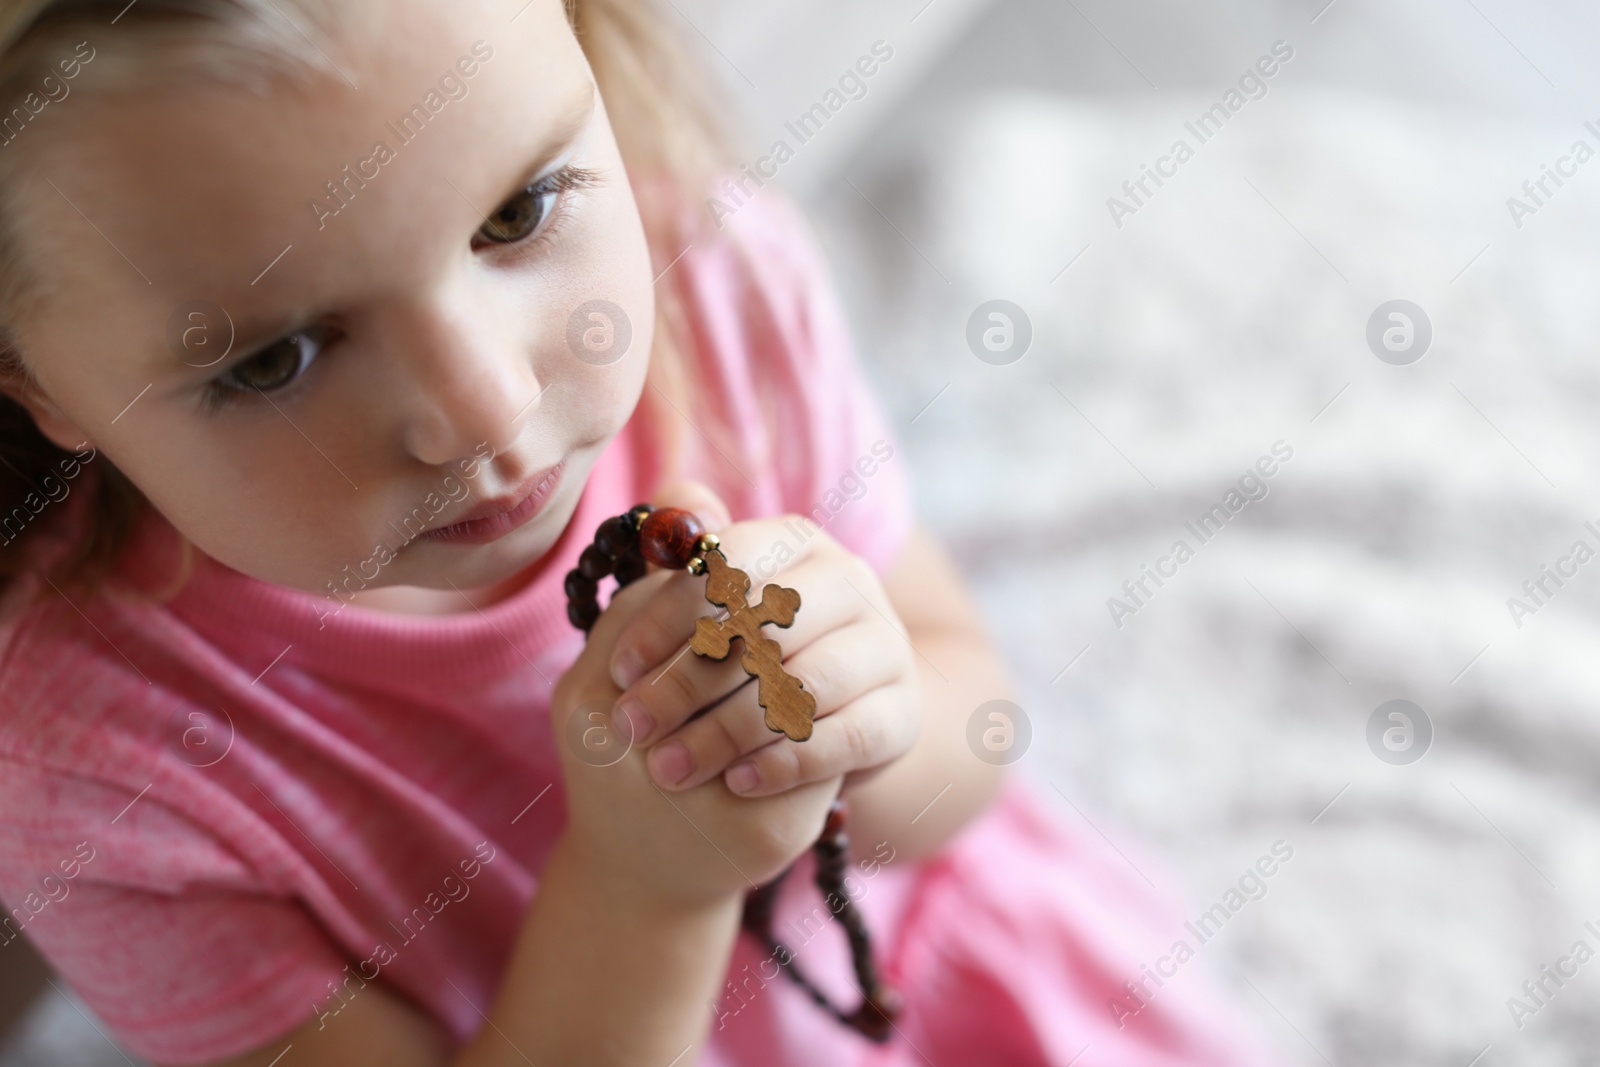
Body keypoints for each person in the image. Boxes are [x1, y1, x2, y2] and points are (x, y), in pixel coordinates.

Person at [0, 1, 1279, 1064]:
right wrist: (647, 883)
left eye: (516, 213)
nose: (485, 408)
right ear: (43, 383)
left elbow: (967, 735)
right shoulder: (83, 767)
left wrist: (863, 741)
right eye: (277, 358)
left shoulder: (718, 292)